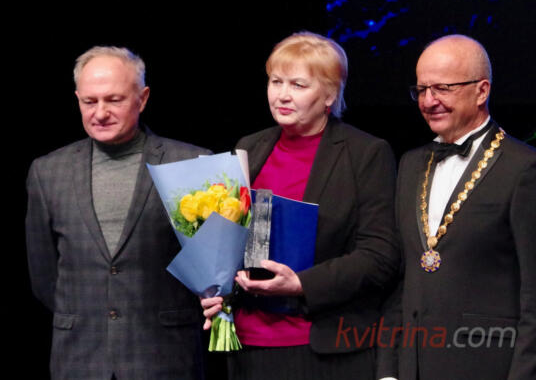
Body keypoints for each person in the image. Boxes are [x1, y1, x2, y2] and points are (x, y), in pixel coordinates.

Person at [202, 32, 400, 380]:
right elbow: (230, 239)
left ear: (330, 95)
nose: (282, 95)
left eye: (298, 84)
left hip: (322, 348)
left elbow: (380, 255)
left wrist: (302, 284)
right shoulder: (250, 146)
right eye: (276, 81)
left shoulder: (365, 153)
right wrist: (216, 288)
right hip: (247, 345)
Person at [25, 46, 209, 380]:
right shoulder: (47, 172)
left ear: (142, 98)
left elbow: (213, 267)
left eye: (114, 100)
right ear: (77, 99)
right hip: (79, 359)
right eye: (89, 101)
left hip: (164, 357)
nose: (100, 113)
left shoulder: (192, 164)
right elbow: (44, 274)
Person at [378, 35, 536, 380]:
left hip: (488, 365)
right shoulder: (410, 164)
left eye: (443, 88)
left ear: (481, 91)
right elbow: (401, 278)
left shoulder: (523, 167)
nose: (428, 101)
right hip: (412, 365)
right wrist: (388, 370)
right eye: (421, 89)